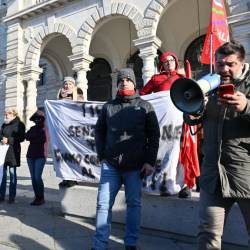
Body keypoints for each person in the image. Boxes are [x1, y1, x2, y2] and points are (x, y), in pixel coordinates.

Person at [184, 40, 250, 250]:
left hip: (246, 174)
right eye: (220, 64)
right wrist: (193, 110)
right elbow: (193, 119)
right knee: (207, 234)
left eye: (230, 64)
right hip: (213, 175)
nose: (225, 69)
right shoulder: (210, 85)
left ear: (242, 63)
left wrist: (246, 106)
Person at [91, 68, 160, 250]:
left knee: (134, 205)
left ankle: (130, 244)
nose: (124, 82)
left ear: (134, 83)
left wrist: (149, 161)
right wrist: (101, 154)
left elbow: (154, 136)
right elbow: (99, 131)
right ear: (117, 84)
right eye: (121, 80)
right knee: (103, 205)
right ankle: (99, 245)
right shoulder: (108, 106)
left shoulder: (145, 106)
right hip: (110, 165)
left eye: (128, 79)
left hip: (135, 166)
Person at [140, 52, 197, 198]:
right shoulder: (155, 79)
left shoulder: (182, 78)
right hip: (163, 123)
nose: (169, 63)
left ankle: (185, 185)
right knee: (164, 152)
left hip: (181, 120)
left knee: (183, 152)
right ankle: (164, 184)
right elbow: (143, 95)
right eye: (165, 61)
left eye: (171, 60)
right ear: (161, 64)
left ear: (175, 62)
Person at [57, 76, 83, 187]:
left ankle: (74, 177)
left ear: (74, 85)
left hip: (73, 129)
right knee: (63, 153)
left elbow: (81, 108)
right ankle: (65, 177)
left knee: (73, 153)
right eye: (66, 84)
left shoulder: (78, 93)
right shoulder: (59, 94)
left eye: (70, 84)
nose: (67, 86)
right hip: (62, 128)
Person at [0, 107, 25, 203]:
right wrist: (2, 138)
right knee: (2, 175)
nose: (6, 115)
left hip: (13, 153)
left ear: (14, 114)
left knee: (12, 174)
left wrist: (9, 140)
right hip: (3, 153)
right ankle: (1, 195)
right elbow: (1, 135)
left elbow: (22, 138)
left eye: (8, 113)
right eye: (5, 113)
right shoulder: (4, 124)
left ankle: (11, 196)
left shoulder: (19, 124)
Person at [25, 110, 48, 206]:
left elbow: (42, 139)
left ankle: (41, 197)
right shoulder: (32, 128)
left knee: (37, 177)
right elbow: (26, 136)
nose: (37, 120)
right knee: (33, 178)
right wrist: (34, 137)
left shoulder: (45, 129)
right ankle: (37, 197)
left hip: (41, 155)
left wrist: (32, 137)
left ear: (42, 119)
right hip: (30, 155)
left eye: (39, 118)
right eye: (36, 118)